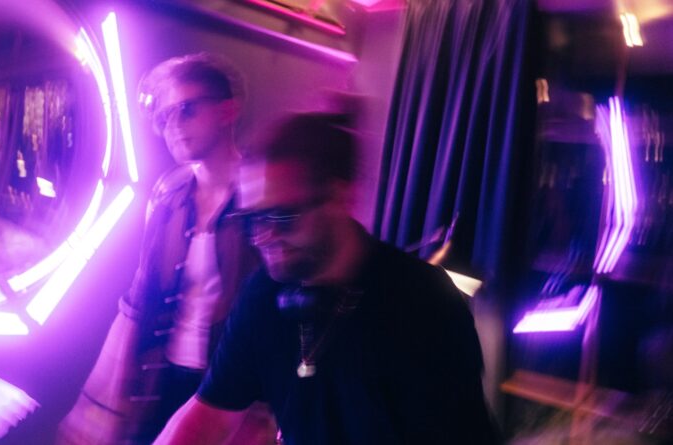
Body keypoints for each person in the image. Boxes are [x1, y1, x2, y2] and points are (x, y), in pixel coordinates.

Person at [155, 113, 498, 444]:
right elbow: (207, 417)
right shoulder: (262, 295)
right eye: (253, 219)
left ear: (339, 197)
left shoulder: (427, 303)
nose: (262, 236)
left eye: (283, 216)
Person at [56, 53, 275, 444]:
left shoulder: (261, 198)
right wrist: (101, 399)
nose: (173, 126)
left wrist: (264, 416)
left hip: (228, 387)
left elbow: (276, 315)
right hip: (161, 377)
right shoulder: (167, 193)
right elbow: (139, 298)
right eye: (164, 117)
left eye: (187, 110)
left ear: (228, 110)